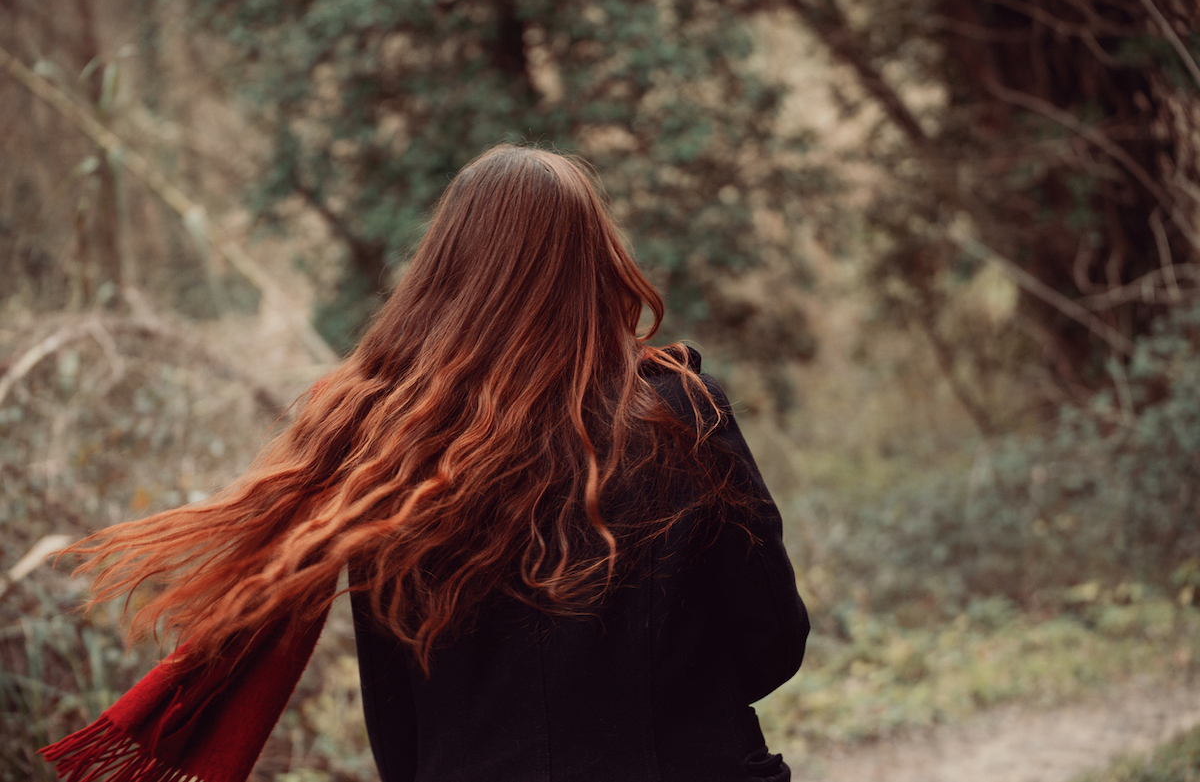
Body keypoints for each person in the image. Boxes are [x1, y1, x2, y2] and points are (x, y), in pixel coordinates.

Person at [42, 145, 808, 782]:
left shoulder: (390, 448)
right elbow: (772, 644)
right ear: (595, 261)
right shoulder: (681, 414)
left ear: (446, 272)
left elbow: (397, 724)